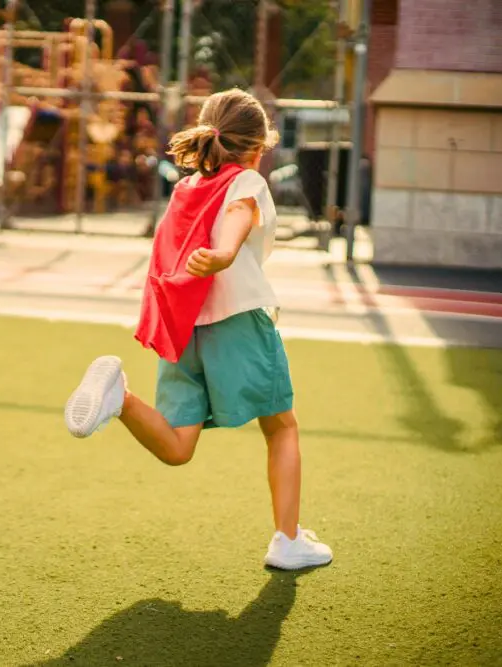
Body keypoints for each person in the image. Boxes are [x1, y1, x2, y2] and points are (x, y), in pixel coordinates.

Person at [63, 88, 332, 571]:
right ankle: (288, 540)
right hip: (237, 321)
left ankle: (119, 400)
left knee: (178, 445)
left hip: (182, 327)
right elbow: (239, 215)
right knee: (281, 426)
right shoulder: (246, 180)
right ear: (258, 146)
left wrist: (216, 256)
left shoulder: (186, 188)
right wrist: (225, 255)